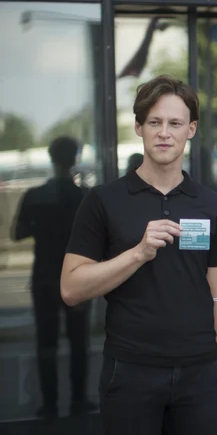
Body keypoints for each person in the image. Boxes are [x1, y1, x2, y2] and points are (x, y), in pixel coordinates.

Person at [61, 75, 217, 435]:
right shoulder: (104, 201)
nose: (164, 133)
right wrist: (137, 253)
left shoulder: (213, 205)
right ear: (139, 127)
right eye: (154, 122)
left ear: (192, 129)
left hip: (200, 372)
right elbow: (71, 288)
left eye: (175, 123)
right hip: (131, 370)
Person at [11, 136, 92, 418]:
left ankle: (49, 403)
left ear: (51, 157)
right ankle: (79, 400)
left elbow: (17, 232)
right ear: (75, 159)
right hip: (77, 275)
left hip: (44, 275)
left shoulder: (35, 195)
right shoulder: (82, 197)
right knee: (78, 341)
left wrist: (39, 225)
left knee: (46, 342)